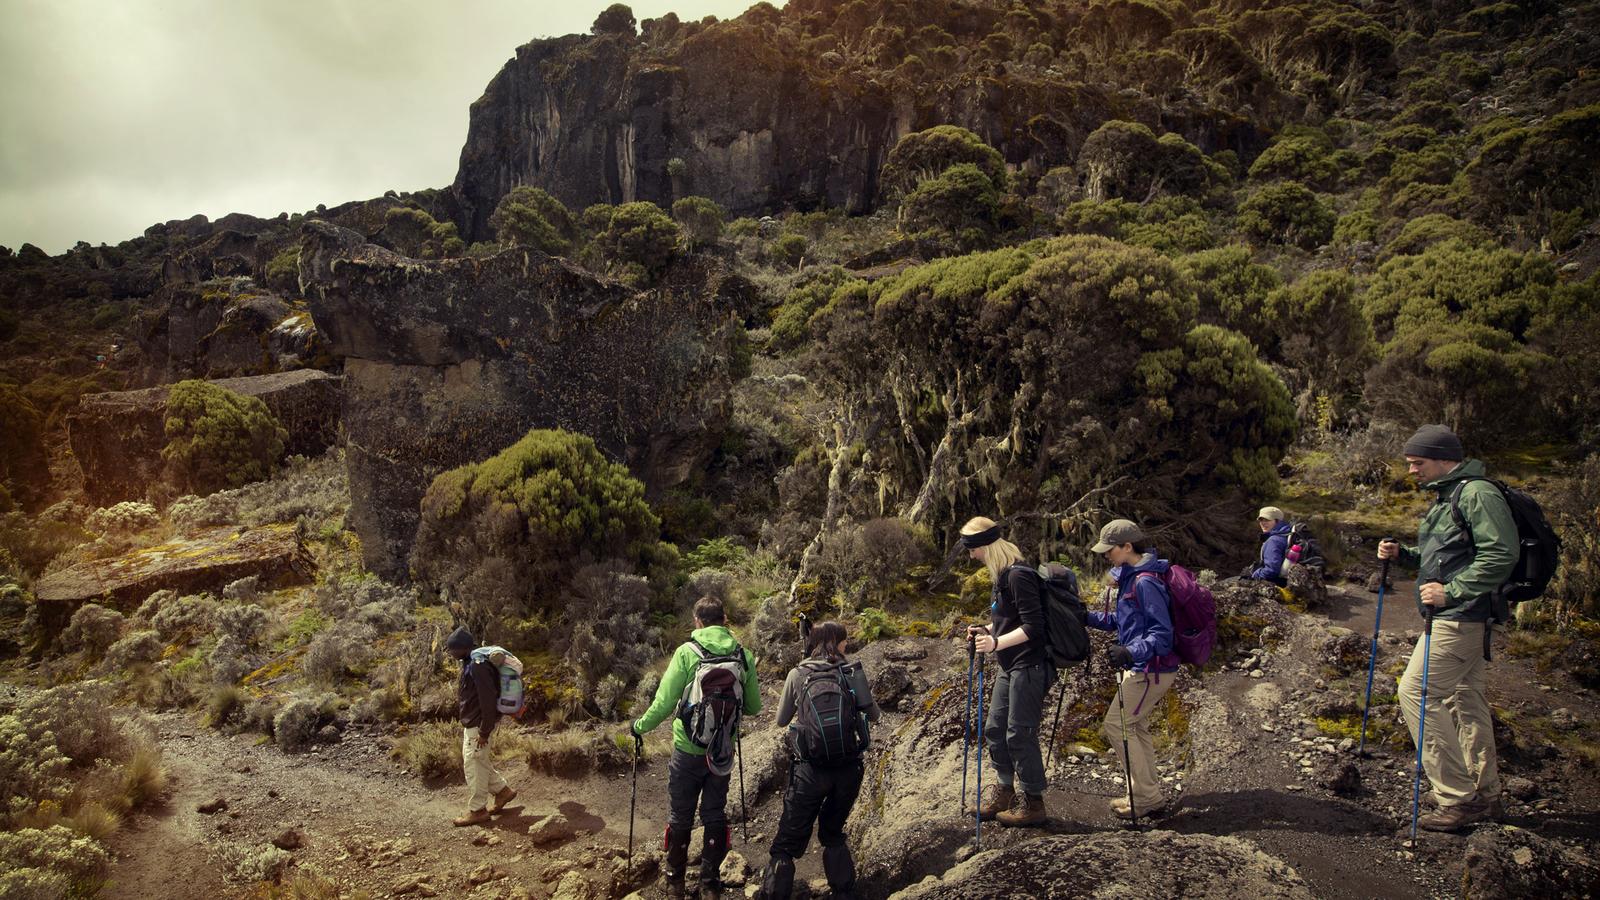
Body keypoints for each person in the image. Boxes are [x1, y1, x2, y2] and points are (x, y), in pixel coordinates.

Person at [1378, 424, 1516, 831]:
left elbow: (1500, 554)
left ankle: (1456, 798)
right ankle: (1486, 794)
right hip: (1460, 616)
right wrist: (1403, 554)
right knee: (1465, 702)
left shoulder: (1476, 493)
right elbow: (1444, 557)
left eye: (1417, 463)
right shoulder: (1449, 496)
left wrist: (1452, 593)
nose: (1412, 471)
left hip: (1461, 618)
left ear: (1443, 459)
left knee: (1416, 692)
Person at [632, 598, 761, 899]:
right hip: (722, 751)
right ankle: (710, 883)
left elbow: (664, 703)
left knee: (681, 815)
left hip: (688, 748)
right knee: (714, 814)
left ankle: (675, 879)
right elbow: (754, 706)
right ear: (725, 619)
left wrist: (639, 727)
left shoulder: (686, 653)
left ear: (697, 621)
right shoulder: (744, 656)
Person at [759, 621, 881, 900]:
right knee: (834, 832)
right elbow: (874, 715)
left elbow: (780, 721)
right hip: (848, 769)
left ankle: (775, 893)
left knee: (787, 841)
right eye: (844, 641)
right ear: (835, 642)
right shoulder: (850, 672)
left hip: (810, 770)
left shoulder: (797, 673)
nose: (846, 645)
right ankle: (843, 893)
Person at [960, 516, 1055, 827]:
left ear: (985, 545)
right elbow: (1008, 621)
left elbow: (1034, 627)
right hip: (1009, 665)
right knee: (994, 729)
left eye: (971, 548)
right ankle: (1005, 791)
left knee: (1019, 733)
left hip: (1028, 665)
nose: (970, 555)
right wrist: (985, 630)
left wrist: (996, 642)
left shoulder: (1018, 576)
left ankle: (1033, 801)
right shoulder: (1002, 577)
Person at [1087, 518, 1181, 819]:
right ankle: (1144, 792)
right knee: (1134, 726)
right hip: (1144, 666)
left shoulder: (1146, 581)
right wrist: (1085, 616)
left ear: (1128, 546)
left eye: (1110, 550)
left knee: (1116, 724)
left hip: (1151, 669)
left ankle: (1146, 797)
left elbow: (1161, 635)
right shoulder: (1132, 578)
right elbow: (1124, 623)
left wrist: (1130, 651)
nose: (1106, 556)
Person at [445, 626, 516, 826]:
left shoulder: (477, 665)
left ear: (462, 648)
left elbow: (487, 699)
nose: (451, 653)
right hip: (476, 724)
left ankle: (477, 810)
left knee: (473, 764)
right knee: (479, 761)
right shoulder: (471, 662)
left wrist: (485, 730)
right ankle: (503, 792)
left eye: (452, 649)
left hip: (478, 726)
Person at [1244, 506, 1292, 585]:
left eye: (1267, 520)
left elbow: (1272, 570)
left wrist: (1254, 575)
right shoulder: (1286, 535)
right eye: (1261, 520)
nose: (1263, 523)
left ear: (1277, 521)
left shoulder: (1274, 541)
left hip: (1278, 583)